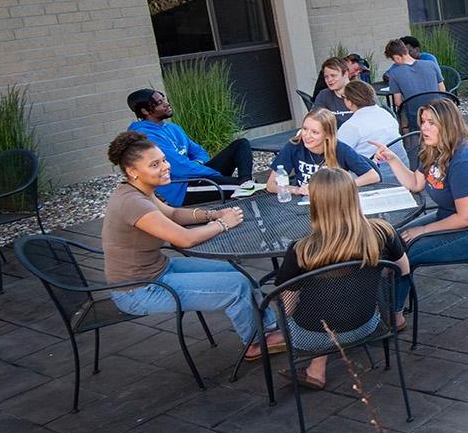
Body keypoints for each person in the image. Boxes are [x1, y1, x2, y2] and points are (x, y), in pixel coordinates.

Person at [100, 132, 283, 360]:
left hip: (159, 269)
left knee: (235, 271)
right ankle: (254, 343)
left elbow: (174, 213)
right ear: (132, 172)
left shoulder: (139, 191)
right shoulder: (132, 203)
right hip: (139, 289)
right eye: (155, 164)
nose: (165, 167)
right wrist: (223, 224)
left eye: (164, 160)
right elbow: (184, 239)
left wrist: (213, 213)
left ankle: (269, 330)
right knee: (236, 287)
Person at [271, 168, 410, 390]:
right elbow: (403, 269)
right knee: (338, 297)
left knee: (285, 304)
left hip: (311, 337)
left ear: (316, 203)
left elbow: (286, 308)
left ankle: (315, 369)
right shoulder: (383, 232)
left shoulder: (302, 250)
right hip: (366, 324)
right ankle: (316, 368)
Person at [380, 100, 468, 319]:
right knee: (392, 240)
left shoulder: (464, 161)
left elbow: (466, 218)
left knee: (407, 251)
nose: (424, 127)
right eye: (423, 121)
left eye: (431, 123)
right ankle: (381, 308)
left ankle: (393, 317)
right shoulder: (434, 150)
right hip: (449, 217)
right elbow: (415, 184)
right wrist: (393, 159)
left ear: (448, 125)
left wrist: (423, 230)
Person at [125, 88, 255, 207]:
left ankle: (246, 181)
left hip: (198, 175)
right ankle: (243, 186)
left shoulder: (173, 128)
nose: (166, 104)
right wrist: (215, 175)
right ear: (145, 111)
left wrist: (200, 164)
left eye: (163, 100)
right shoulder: (145, 137)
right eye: (159, 103)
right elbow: (177, 166)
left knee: (240, 144)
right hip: (183, 188)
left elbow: (199, 151)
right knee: (241, 188)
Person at [268, 109, 379, 195]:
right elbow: (271, 185)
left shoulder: (341, 149)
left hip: (334, 201)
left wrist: (339, 186)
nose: (307, 135)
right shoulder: (294, 145)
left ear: (327, 135)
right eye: (305, 129)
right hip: (304, 200)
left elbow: (373, 176)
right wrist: (296, 190)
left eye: (315, 132)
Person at [337, 80, 405, 176]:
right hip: (402, 171)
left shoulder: (351, 126)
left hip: (374, 177)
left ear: (349, 101)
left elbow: (335, 154)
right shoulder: (387, 114)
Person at [381, 39, 446, 123]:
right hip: (438, 112)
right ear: (406, 50)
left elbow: (398, 102)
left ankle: (407, 134)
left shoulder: (394, 74)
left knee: (402, 115)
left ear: (396, 58)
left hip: (415, 116)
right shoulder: (431, 64)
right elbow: (442, 90)